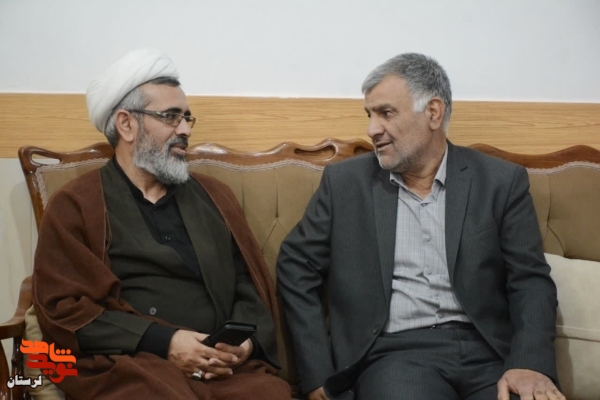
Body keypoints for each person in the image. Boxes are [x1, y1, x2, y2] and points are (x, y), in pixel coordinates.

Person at [276, 53, 565, 400]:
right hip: (397, 357)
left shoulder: (500, 182)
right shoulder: (345, 184)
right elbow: (296, 265)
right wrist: (317, 373)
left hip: (490, 355)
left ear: (433, 113)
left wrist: (530, 364)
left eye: (386, 113)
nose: (372, 130)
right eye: (369, 115)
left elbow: (530, 280)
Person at [32, 48, 291, 400]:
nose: (184, 130)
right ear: (126, 124)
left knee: (270, 394)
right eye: (171, 117)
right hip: (132, 366)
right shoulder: (76, 204)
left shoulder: (214, 197)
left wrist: (245, 343)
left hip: (222, 368)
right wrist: (165, 342)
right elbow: (64, 309)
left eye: (187, 118)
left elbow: (247, 284)